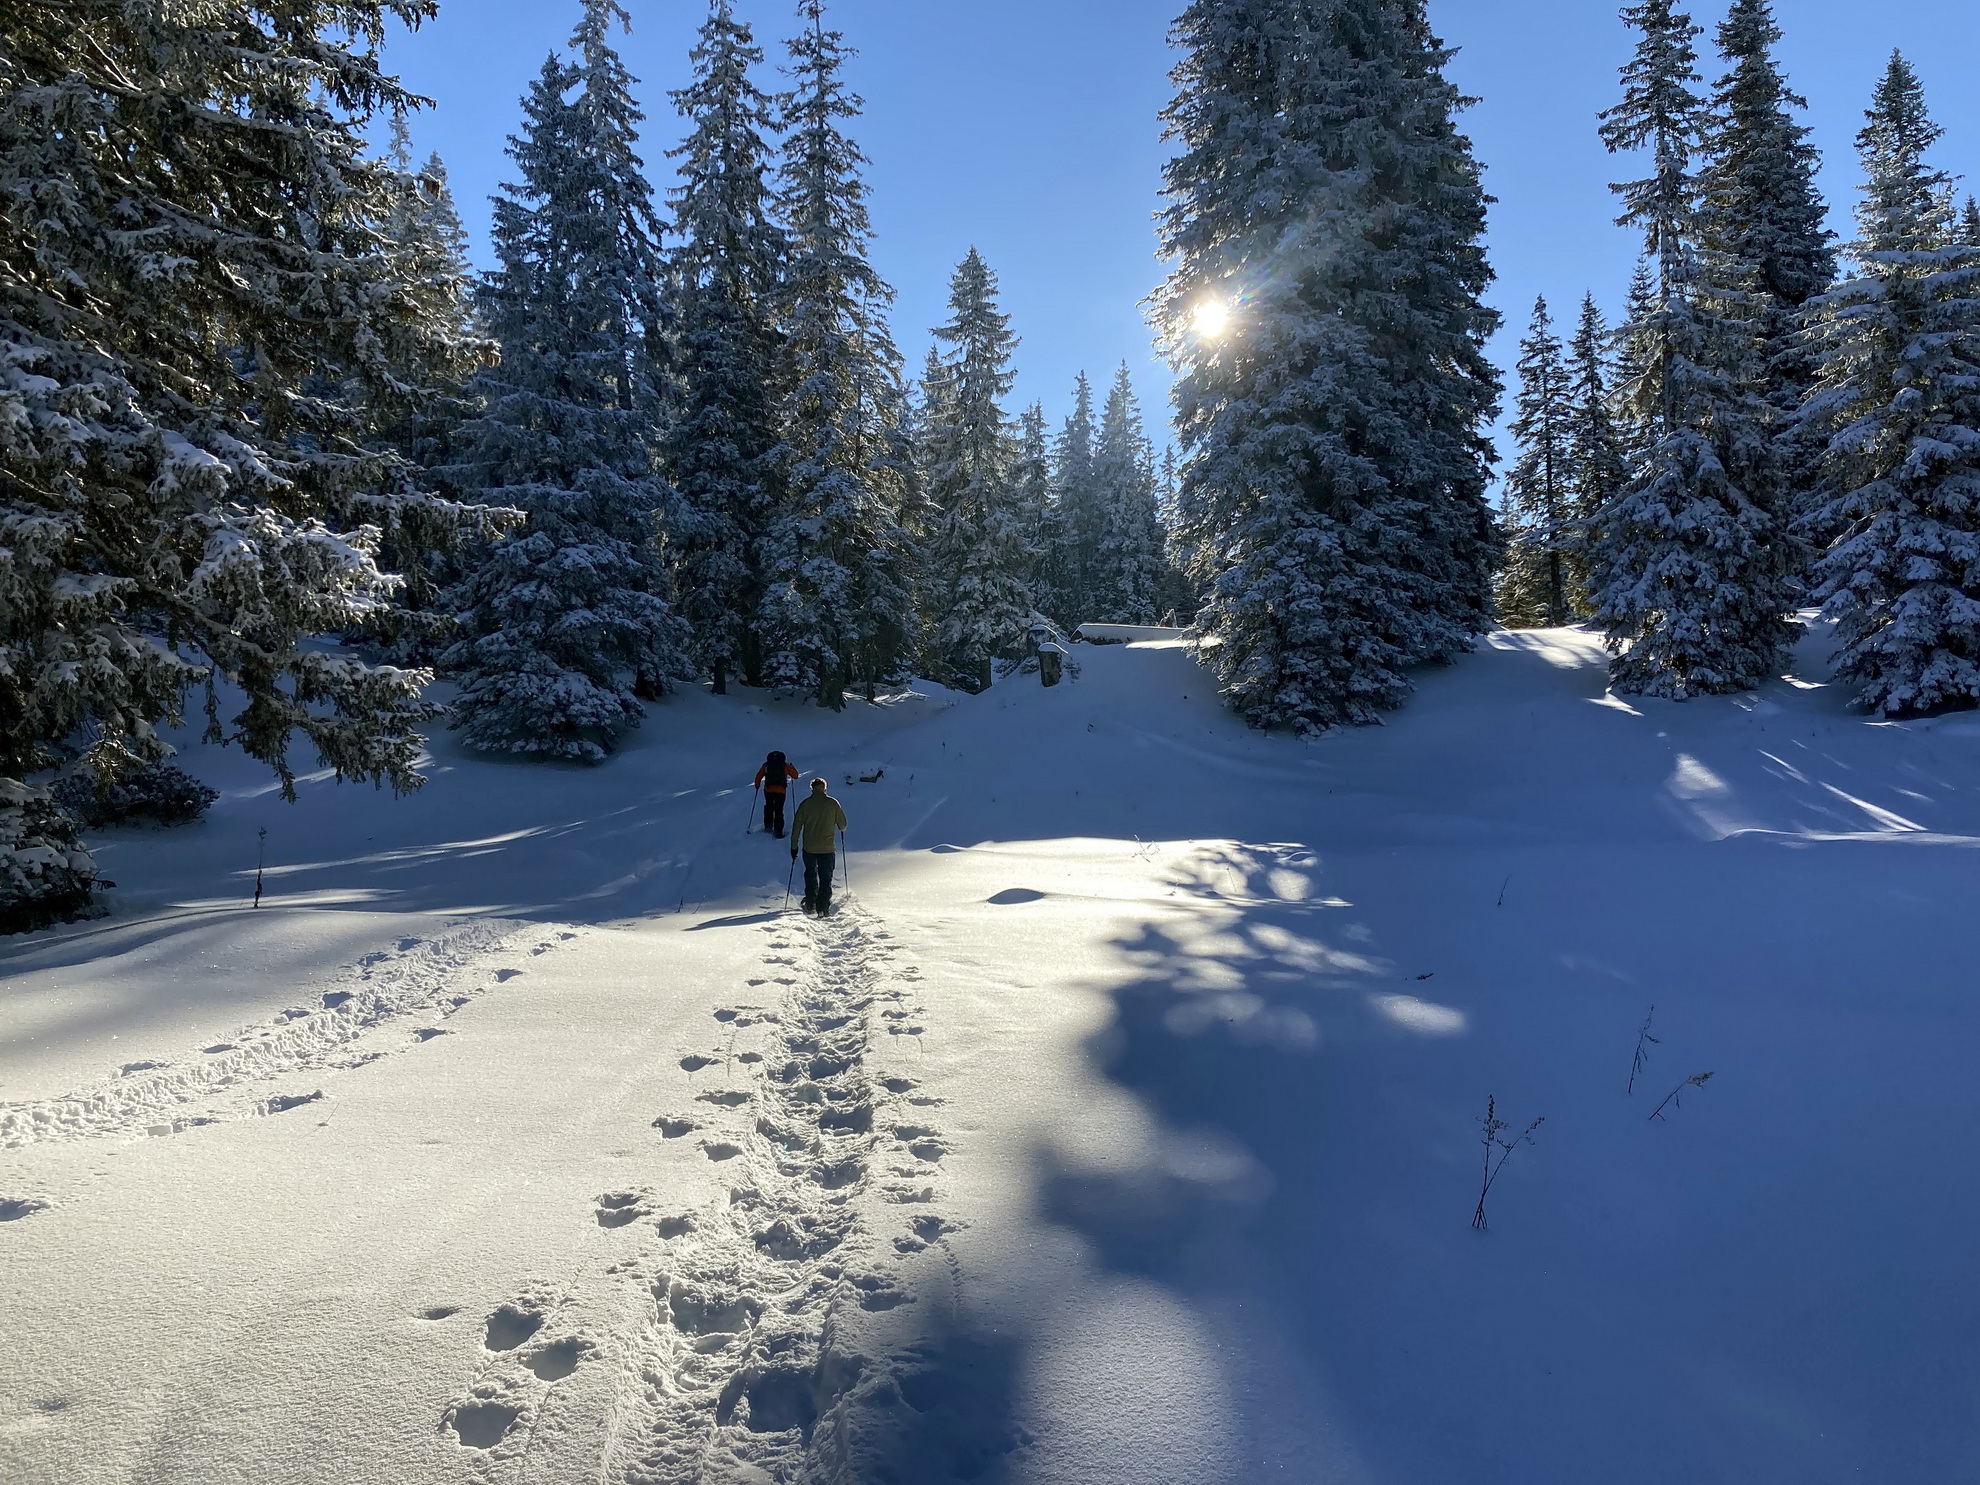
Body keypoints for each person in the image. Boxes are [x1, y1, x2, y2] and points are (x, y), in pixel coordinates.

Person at [790, 777, 847, 916]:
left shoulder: (805, 804)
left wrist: (794, 846)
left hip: (809, 848)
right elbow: (843, 826)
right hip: (827, 848)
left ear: (812, 788)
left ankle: (811, 903)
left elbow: (796, 826)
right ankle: (823, 906)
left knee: (810, 874)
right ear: (825, 788)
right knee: (826, 877)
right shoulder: (832, 803)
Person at [754, 750, 799, 837]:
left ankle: (768, 827)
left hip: (768, 790)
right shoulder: (785, 765)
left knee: (769, 807)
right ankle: (778, 831)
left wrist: (757, 785)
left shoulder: (767, 765)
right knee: (779, 810)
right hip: (780, 791)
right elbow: (795, 776)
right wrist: (792, 767)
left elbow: (759, 775)